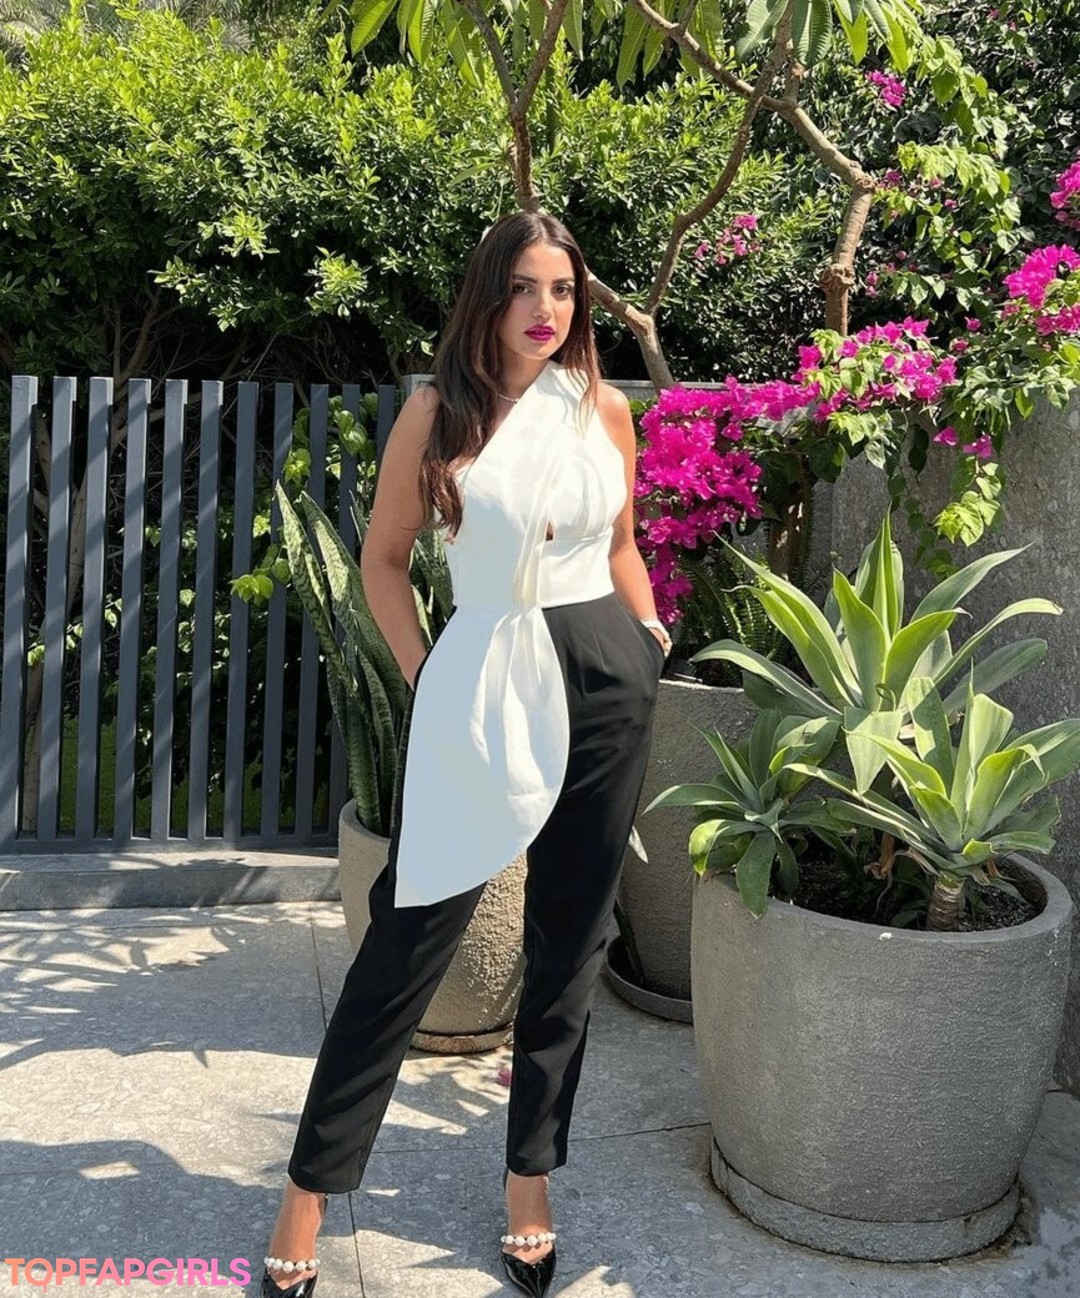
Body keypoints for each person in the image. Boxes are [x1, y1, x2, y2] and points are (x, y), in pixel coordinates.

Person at [260, 210, 672, 1298]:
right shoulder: (438, 413)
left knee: (571, 940)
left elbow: (622, 544)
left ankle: (530, 1180)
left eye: (565, 290)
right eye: (525, 287)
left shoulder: (603, 407)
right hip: (485, 672)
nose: (547, 310)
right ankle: (307, 1189)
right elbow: (383, 561)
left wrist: (650, 634)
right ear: (488, 296)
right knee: (407, 937)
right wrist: (425, 675)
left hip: (606, 675)